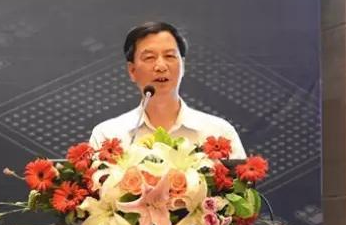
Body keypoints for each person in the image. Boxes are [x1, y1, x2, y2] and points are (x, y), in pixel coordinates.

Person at [89, 21, 246, 158]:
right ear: (132, 71)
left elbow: (241, 183)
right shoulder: (107, 136)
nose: (161, 66)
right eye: (149, 58)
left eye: (170, 56)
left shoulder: (218, 133)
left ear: (183, 66)